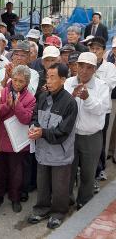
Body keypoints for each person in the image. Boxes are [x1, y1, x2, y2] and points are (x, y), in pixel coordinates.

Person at [28, 63, 78, 229]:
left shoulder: (70, 103)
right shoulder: (42, 96)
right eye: (47, 77)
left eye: (52, 77)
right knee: (42, 184)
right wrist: (34, 127)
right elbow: (35, 115)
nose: (48, 81)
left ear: (63, 80)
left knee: (59, 187)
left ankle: (58, 212)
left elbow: (63, 132)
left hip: (60, 153)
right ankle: (41, 209)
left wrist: (42, 133)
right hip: (43, 150)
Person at [64, 52, 109, 210]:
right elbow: (61, 106)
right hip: (70, 135)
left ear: (94, 69)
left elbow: (102, 109)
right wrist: (71, 96)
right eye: (81, 66)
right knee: (68, 171)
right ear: (76, 66)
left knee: (88, 173)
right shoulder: (68, 82)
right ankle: (67, 199)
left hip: (92, 137)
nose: (84, 70)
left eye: (89, 67)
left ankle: (84, 201)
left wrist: (87, 98)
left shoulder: (101, 86)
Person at [0, 65, 36, 213]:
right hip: (1, 138)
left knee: (16, 173)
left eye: (21, 81)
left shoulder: (30, 97)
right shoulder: (3, 91)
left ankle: (15, 198)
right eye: (15, 80)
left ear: (27, 83)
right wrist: (7, 106)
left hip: (18, 142)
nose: (17, 84)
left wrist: (17, 106)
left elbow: (27, 119)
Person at [87, 37, 116, 187]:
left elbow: (109, 85)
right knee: (88, 141)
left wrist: (94, 80)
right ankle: (88, 170)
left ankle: (100, 169)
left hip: (103, 109)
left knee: (101, 140)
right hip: (86, 108)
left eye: (97, 49)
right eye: (92, 48)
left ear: (104, 51)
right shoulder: (86, 65)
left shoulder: (110, 67)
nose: (94, 51)